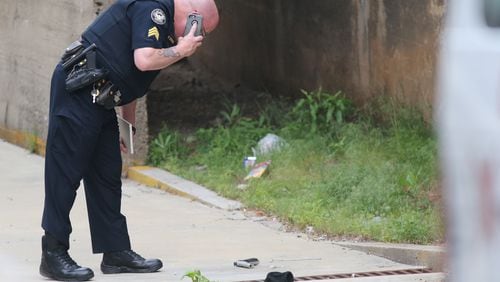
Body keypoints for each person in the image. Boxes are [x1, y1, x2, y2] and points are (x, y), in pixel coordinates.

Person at [39, 0, 219, 281]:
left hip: (102, 96)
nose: (199, 38)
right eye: (201, 30)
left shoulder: (167, 33)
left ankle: (115, 252)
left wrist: (128, 123)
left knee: (107, 174)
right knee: (65, 172)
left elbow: (135, 75)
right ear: (193, 16)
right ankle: (52, 253)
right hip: (79, 88)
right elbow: (144, 60)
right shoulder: (153, 9)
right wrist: (181, 49)